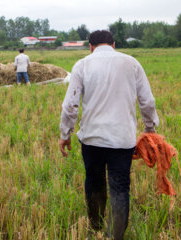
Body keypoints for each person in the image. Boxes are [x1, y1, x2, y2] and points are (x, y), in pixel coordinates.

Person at [58, 30, 159, 239]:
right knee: (120, 187)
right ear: (113, 44)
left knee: (94, 182)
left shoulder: (82, 65)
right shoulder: (132, 64)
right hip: (122, 140)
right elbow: (147, 102)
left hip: (92, 139)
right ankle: (116, 235)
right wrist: (150, 129)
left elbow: (70, 106)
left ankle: (95, 227)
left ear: (90, 46)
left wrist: (65, 134)